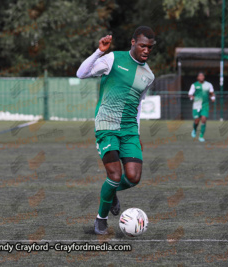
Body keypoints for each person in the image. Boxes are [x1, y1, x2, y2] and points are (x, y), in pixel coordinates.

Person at [76, 26, 155, 235]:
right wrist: (99, 51)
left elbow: (137, 106)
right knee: (114, 174)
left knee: (134, 177)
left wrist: (137, 133)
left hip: (129, 129)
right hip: (107, 125)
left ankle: (111, 193)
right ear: (133, 43)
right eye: (142, 46)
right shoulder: (113, 59)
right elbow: (81, 73)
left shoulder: (149, 75)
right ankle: (101, 219)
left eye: (149, 47)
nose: (146, 50)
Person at [188, 72, 215, 142]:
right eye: (200, 76)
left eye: (202, 75)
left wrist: (213, 98)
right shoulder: (194, 85)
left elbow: (212, 93)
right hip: (196, 105)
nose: (201, 77)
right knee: (196, 121)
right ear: (197, 77)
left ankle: (201, 136)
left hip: (205, 105)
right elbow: (190, 94)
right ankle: (194, 129)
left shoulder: (208, 85)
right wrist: (193, 97)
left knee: (203, 119)